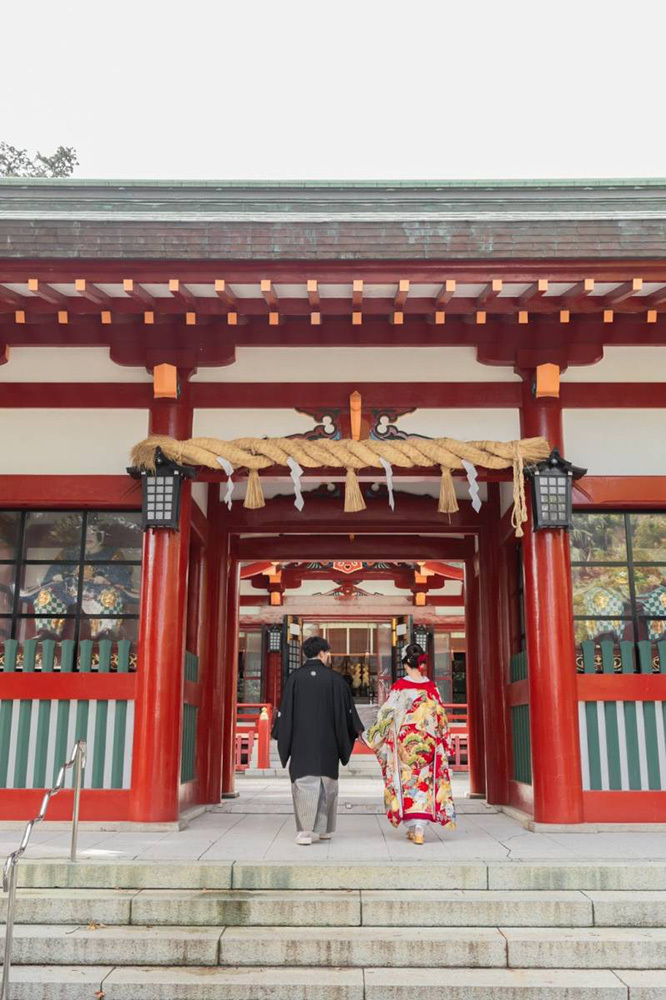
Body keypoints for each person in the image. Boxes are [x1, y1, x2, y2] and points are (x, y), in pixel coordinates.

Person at [272, 635, 364, 846]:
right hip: (329, 743)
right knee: (327, 784)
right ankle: (325, 830)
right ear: (322, 653)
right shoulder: (336, 680)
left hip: (301, 743)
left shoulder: (294, 678)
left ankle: (305, 832)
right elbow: (347, 713)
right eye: (328, 652)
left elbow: (285, 713)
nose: (328, 655)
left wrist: (283, 734)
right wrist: (356, 729)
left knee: (304, 783)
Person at [362, 643, 456, 844]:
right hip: (428, 743)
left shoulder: (400, 688)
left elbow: (386, 715)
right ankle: (420, 828)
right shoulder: (431, 687)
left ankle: (414, 826)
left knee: (406, 781)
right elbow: (441, 717)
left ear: (405, 665)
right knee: (425, 780)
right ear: (420, 664)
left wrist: (371, 736)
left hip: (406, 743)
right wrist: (444, 741)